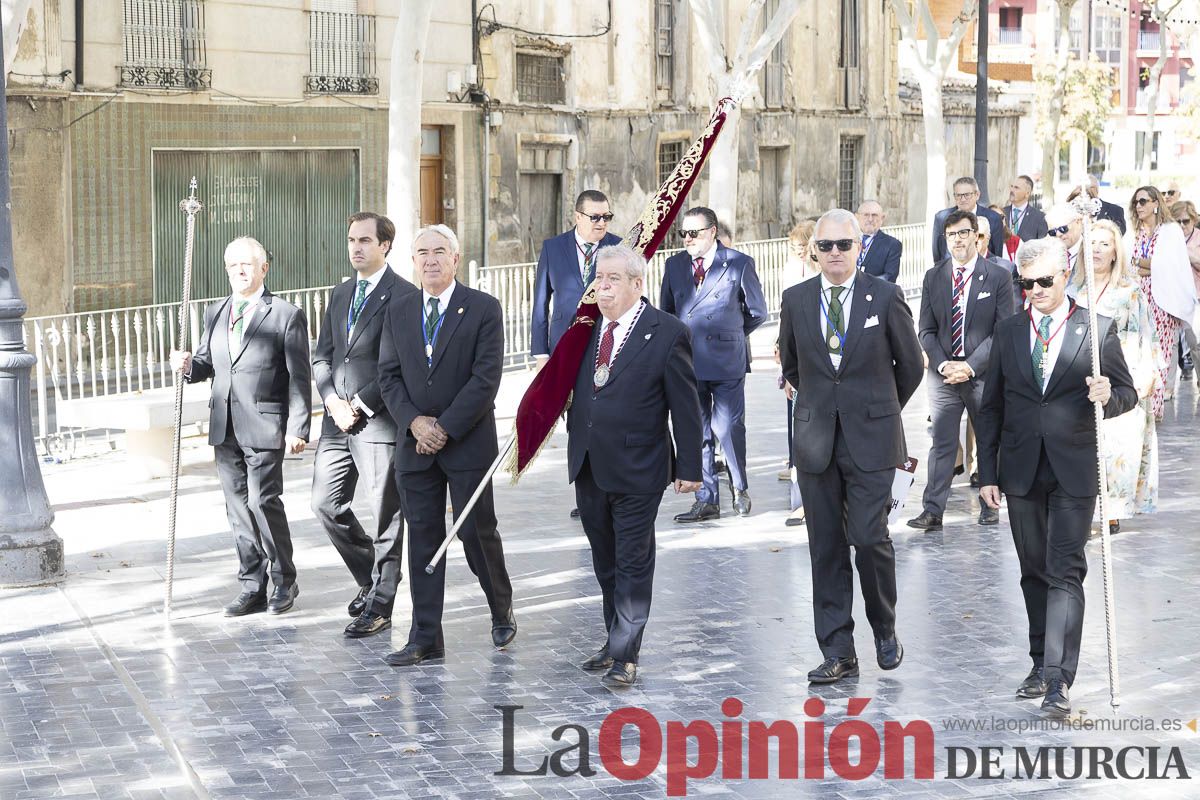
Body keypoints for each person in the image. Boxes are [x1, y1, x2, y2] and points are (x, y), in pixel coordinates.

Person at [976, 236, 1137, 717]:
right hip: (1022, 468)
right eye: (1026, 284)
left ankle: (1057, 679)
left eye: (1045, 281)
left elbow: (1127, 393)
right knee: (1033, 571)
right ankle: (1038, 659)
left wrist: (1108, 395)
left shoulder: (1096, 329)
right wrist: (988, 471)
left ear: (1065, 274)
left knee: (1065, 570)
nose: (1036, 291)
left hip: (1073, 467)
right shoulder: (1007, 332)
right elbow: (992, 407)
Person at [778, 209, 924, 684]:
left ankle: (884, 629)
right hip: (818, 442)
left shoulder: (884, 295)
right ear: (815, 250)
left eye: (844, 245)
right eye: (826, 246)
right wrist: (823, 405)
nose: (835, 253)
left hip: (874, 440)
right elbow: (794, 367)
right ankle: (838, 649)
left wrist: (879, 408)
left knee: (868, 536)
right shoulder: (796, 300)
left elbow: (912, 366)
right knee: (825, 547)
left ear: (859, 247)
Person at [377, 225, 516, 667]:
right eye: (422, 253)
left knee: (477, 533)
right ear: (413, 261)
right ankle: (425, 636)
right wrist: (416, 423)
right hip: (413, 446)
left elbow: (485, 378)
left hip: (467, 443)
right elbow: (388, 376)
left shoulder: (482, 308)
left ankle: (500, 606)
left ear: (456, 259)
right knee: (422, 538)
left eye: (440, 252)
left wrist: (445, 429)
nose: (431, 260)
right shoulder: (397, 310)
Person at [568, 244, 703, 688]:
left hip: (639, 466)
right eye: (598, 279)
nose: (602, 288)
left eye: (612, 280)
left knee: (632, 562)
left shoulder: (666, 332)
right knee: (605, 562)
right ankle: (613, 639)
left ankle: (627, 653)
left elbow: (685, 406)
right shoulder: (585, 329)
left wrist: (691, 466)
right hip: (589, 463)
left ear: (636, 283)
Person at [169, 237, 311, 616]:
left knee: (262, 502)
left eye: (247, 264)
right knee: (237, 509)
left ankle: (284, 579)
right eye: (233, 266)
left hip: (264, 425)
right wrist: (186, 365)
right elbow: (205, 364)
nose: (240, 271)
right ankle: (253, 583)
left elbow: (299, 376)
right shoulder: (216, 311)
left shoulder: (285, 314)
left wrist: (299, 427)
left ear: (264, 268)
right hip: (224, 425)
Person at [311, 212, 419, 639]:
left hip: (378, 422)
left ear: (385, 245)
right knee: (325, 503)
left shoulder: (404, 295)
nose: (356, 247)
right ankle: (371, 578)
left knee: (384, 516)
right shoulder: (340, 294)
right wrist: (331, 400)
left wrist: (358, 403)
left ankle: (381, 604)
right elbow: (322, 355)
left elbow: (402, 364)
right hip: (336, 422)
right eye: (352, 239)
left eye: (365, 240)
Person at [908, 210, 1014, 532]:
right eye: (952, 234)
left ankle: (990, 504)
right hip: (942, 374)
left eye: (964, 233)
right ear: (945, 238)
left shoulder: (997, 276)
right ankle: (932, 511)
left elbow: (1003, 330)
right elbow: (925, 329)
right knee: (941, 442)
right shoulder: (933, 276)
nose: (958, 240)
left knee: (987, 438)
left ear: (976, 236)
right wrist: (943, 364)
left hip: (981, 374)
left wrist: (969, 366)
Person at [659, 207, 766, 522]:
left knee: (728, 427)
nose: (688, 239)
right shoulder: (675, 265)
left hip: (725, 362)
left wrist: (731, 333)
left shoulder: (738, 263)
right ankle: (706, 499)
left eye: (694, 232)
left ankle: (739, 486)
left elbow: (757, 311)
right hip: (688, 361)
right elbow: (667, 310)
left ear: (712, 231)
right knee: (697, 430)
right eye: (684, 233)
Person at [530, 190, 622, 520]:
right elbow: (540, 304)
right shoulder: (553, 248)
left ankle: (609, 488)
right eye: (595, 217)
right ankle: (585, 493)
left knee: (606, 417)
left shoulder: (619, 247)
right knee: (576, 423)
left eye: (606, 217)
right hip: (564, 351)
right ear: (577, 217)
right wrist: (541, 355)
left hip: (606, 349)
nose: (602, 223)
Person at [1074, 221, 1162, 534]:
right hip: (1078, 380)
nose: (1096, 249)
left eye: (1104, 244)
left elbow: (1140, 338)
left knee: (1116, 448)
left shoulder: (1129, 293)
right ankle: (1083, 505)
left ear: (1115, 252)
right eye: (1092, 243)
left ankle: (1110, 510)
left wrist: (1138, 383)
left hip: (1118, 379)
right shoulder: (1072, 291)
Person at [1126, 185, 1195, 416]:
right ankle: (1139, 407)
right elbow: (1129, 261)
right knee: (1139, 356)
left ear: (1156, 203)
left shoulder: (1170, 230)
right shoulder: (1135, 231)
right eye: (1136, 202)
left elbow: (1170, 265)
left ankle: (1154, 411)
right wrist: (1145, 264)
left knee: (1162, 357)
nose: (1139, 206)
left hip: (1163, 303)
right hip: (1137, 301)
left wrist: (1143, 264)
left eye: (1143, 201)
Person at [932, 177, 1005, 262]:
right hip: (951, 272)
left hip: (984, 271)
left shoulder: (993, 218)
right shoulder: (941, 218)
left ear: (977, 195)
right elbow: (937, 253)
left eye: (967, 195)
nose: (962, 199)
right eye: (958, 195)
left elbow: (997, 254)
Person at [855, 200, 902, 282]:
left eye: (874, 215)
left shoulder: (892, 245)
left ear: (882, 218)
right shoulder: (847, 241)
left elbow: (889, 276)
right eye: (866, 215)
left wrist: (862, 285)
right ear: (857, 217)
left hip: (874, 293)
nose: (870, 219)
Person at [1043, 204, 1084, 294]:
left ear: (1078, 222)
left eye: (1063, 229)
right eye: (1052, 232)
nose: (1058, 234)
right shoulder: (1047, 255)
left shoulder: (1091, 251)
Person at [1003, 175, 1049, 242]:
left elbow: (1041, 246)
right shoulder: (1002, 213)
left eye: (1016, 188)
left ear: (1027, 193)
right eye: (1011, 186)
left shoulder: (1039, 218)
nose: (1012, 190)